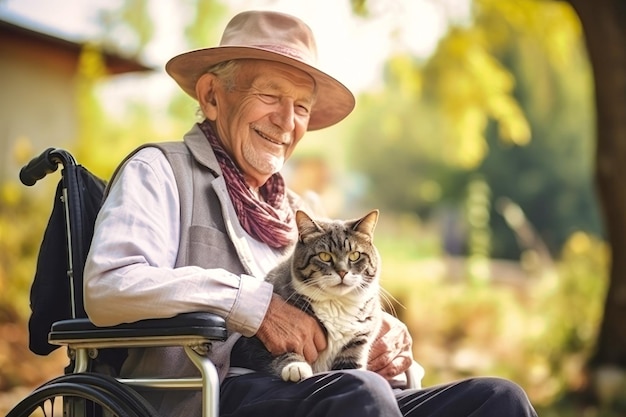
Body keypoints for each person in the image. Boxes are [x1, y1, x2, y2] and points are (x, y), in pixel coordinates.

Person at [84, 10, 538, 417]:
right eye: (270, 95)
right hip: (208, 397)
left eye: (301, 106)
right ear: (211, 97)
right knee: (360, 395)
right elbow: (108, 286)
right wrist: (252, 305)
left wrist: (387, 333)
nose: (287, 120)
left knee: (499, 399)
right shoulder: (159, 172)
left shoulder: (306, 211)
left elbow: (348, 295)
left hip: (329, 388)